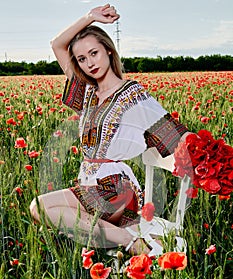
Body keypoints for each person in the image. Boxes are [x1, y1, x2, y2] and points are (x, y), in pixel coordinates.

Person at [29, 4, 192, 255]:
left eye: (94, 53)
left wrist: (210, 158)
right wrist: (89, 18)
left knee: (40, 207)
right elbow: (57, 44)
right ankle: (128, 241)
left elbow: (176, 136)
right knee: (45, 212)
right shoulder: (87, 92)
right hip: (92, 185)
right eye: (82, 59)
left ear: (107, 49)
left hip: (116, 190)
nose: (89, 63)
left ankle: (129, 241)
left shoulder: (132, 94)